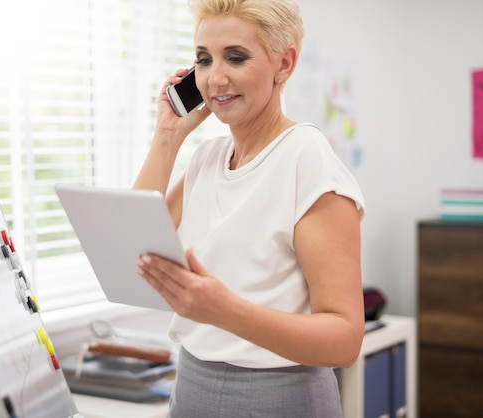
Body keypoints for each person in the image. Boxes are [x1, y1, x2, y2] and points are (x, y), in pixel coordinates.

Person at [133, 0, 365, 416]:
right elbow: (131, 250)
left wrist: (225, 311)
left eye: (235, 57)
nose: (214, 79)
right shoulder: (208, 158)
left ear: (284, 65)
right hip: (191, 386)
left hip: (279, 394)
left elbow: (345, 340)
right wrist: (167, 135)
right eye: (203, 60)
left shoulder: (305, 159)